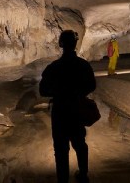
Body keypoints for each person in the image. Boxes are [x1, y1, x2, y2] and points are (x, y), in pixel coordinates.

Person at [39, 30, 96, 183]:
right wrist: (78, 93)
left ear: (61, 44)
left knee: (61, 147)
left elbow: (43, 90)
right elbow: (92, 85)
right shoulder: (83, 65)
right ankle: (83, 174)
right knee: (80, 143)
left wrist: (58, 92)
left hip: (60, 111)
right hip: (77, 109)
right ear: (75, 44)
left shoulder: (54, 67)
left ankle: (62, 179)